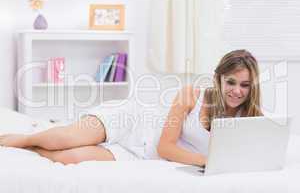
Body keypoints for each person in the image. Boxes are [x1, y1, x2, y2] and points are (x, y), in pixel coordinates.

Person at [0, 49, 263, 166]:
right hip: (132, 121)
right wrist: (209, 162)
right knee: (65, 138)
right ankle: (25, 138)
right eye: (231, 81)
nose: (237, 91)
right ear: (218, 77)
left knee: (69, 158)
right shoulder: (191, 96)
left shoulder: (250, 118)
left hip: (144, 154)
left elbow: (259, 152)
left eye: (245, 85)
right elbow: (167, 146)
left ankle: (34, 147)